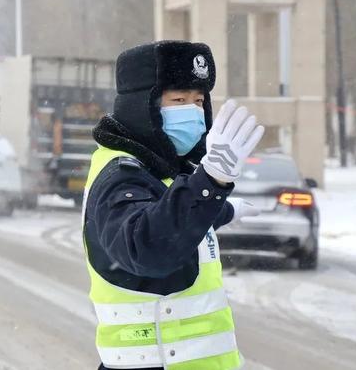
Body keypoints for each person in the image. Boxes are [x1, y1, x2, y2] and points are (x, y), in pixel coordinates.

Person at [83, 41, 264, 370]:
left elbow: (169, 212)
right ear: (143, 105)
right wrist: (211, 183)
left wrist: (222, 208)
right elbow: (147, 247)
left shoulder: (163, 171)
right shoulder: (120, 175)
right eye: (178, 100)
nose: (193, 111)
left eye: (199, 100)